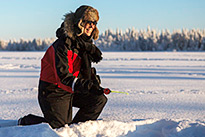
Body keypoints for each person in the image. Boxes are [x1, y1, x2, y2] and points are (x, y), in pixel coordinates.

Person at [18, 5, 111, 129]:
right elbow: (63, 77)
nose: (91, 25)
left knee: (99, 99)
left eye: (94, 23)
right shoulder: (62, 46)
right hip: (53, 91)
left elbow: (81, 71)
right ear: (79, 22)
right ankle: (27, 121)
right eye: (87, 21)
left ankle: (76, 129)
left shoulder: (84, 46)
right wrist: (87, 86)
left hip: (70, 88)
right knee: (59, 128)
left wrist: (93, 83)